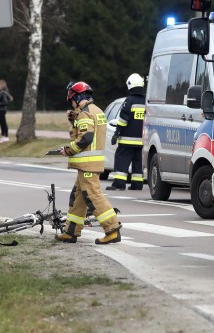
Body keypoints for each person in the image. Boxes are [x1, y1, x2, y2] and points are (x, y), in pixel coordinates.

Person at [55, 81, 122, 245]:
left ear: (76, 97)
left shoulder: (85, 113)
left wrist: (67, 150)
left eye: (72, 100)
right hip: (91, 163)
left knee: (93, 196)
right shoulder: (97, 110)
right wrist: (74, 121)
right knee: (78, 198)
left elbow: (85, 138)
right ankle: (71, 232)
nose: (71, 104)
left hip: (87, 165)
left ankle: (112, 229)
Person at [107, 73, 146, 191]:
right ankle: (137, 184)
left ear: (130, 85)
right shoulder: (147, 102)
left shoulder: (129, 101)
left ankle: (119, 183)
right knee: (138, 161)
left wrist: (117, 133)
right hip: (142, 140)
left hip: (127, 140)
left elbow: (123, 120)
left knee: (121, 159)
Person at [0, 79, 13, 143]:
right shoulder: (0, 92)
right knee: (1, 123)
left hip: (1, 110)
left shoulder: (3, 93)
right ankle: (3, 136)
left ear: (1, 85)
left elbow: (5, 102)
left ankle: (6, 136)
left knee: (3, 123)